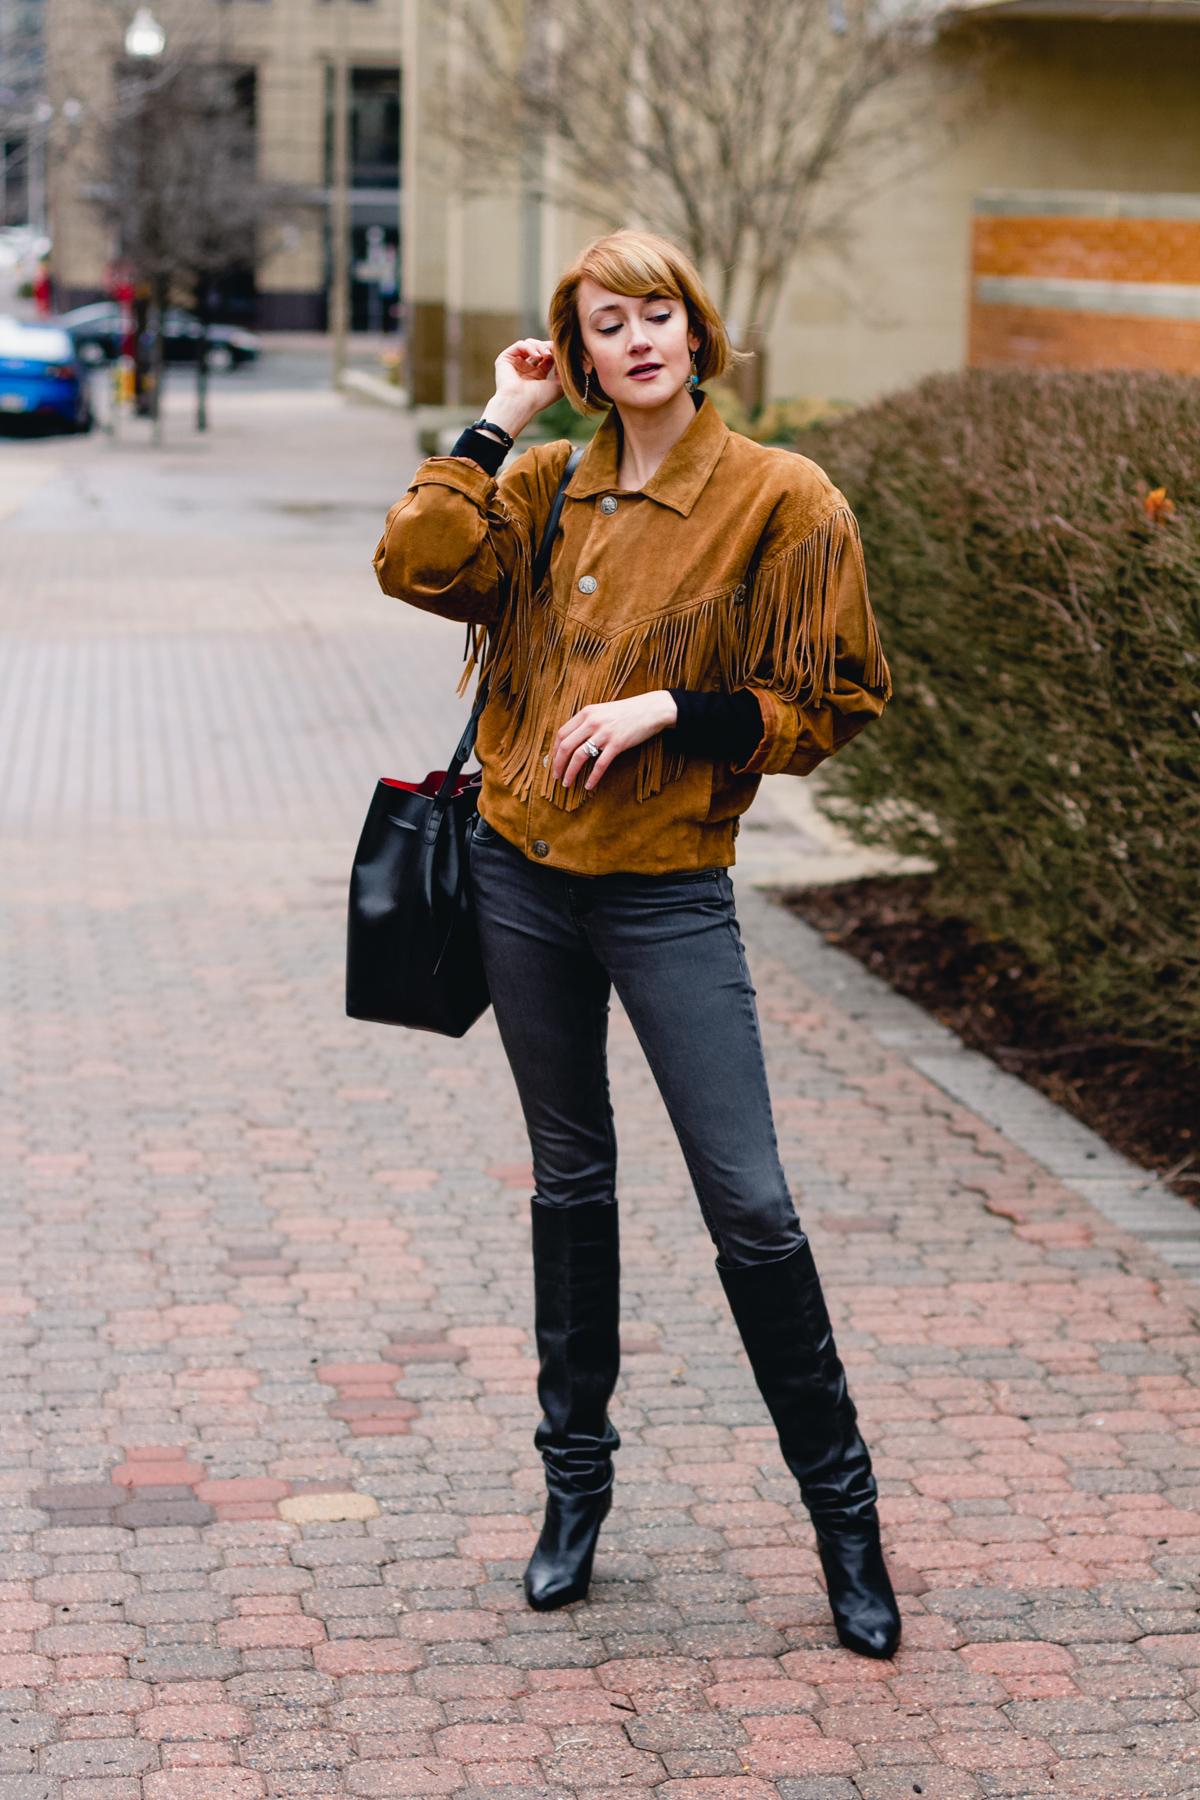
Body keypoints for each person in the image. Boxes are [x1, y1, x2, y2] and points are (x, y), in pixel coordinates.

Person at [374, 230, 899, 1659]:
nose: (638, 337)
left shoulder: (784, 501)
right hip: (518, 876)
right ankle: (575, 1503)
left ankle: (846, 1526)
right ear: (584, 353)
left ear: (695, 327)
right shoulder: (543, 484)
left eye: (656, 311)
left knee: (750, 1203)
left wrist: (674, 710)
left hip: (668, 889)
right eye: (607, 323)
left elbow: (836, 698)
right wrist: (495, 420)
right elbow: (412, 561)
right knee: (570, 1182)